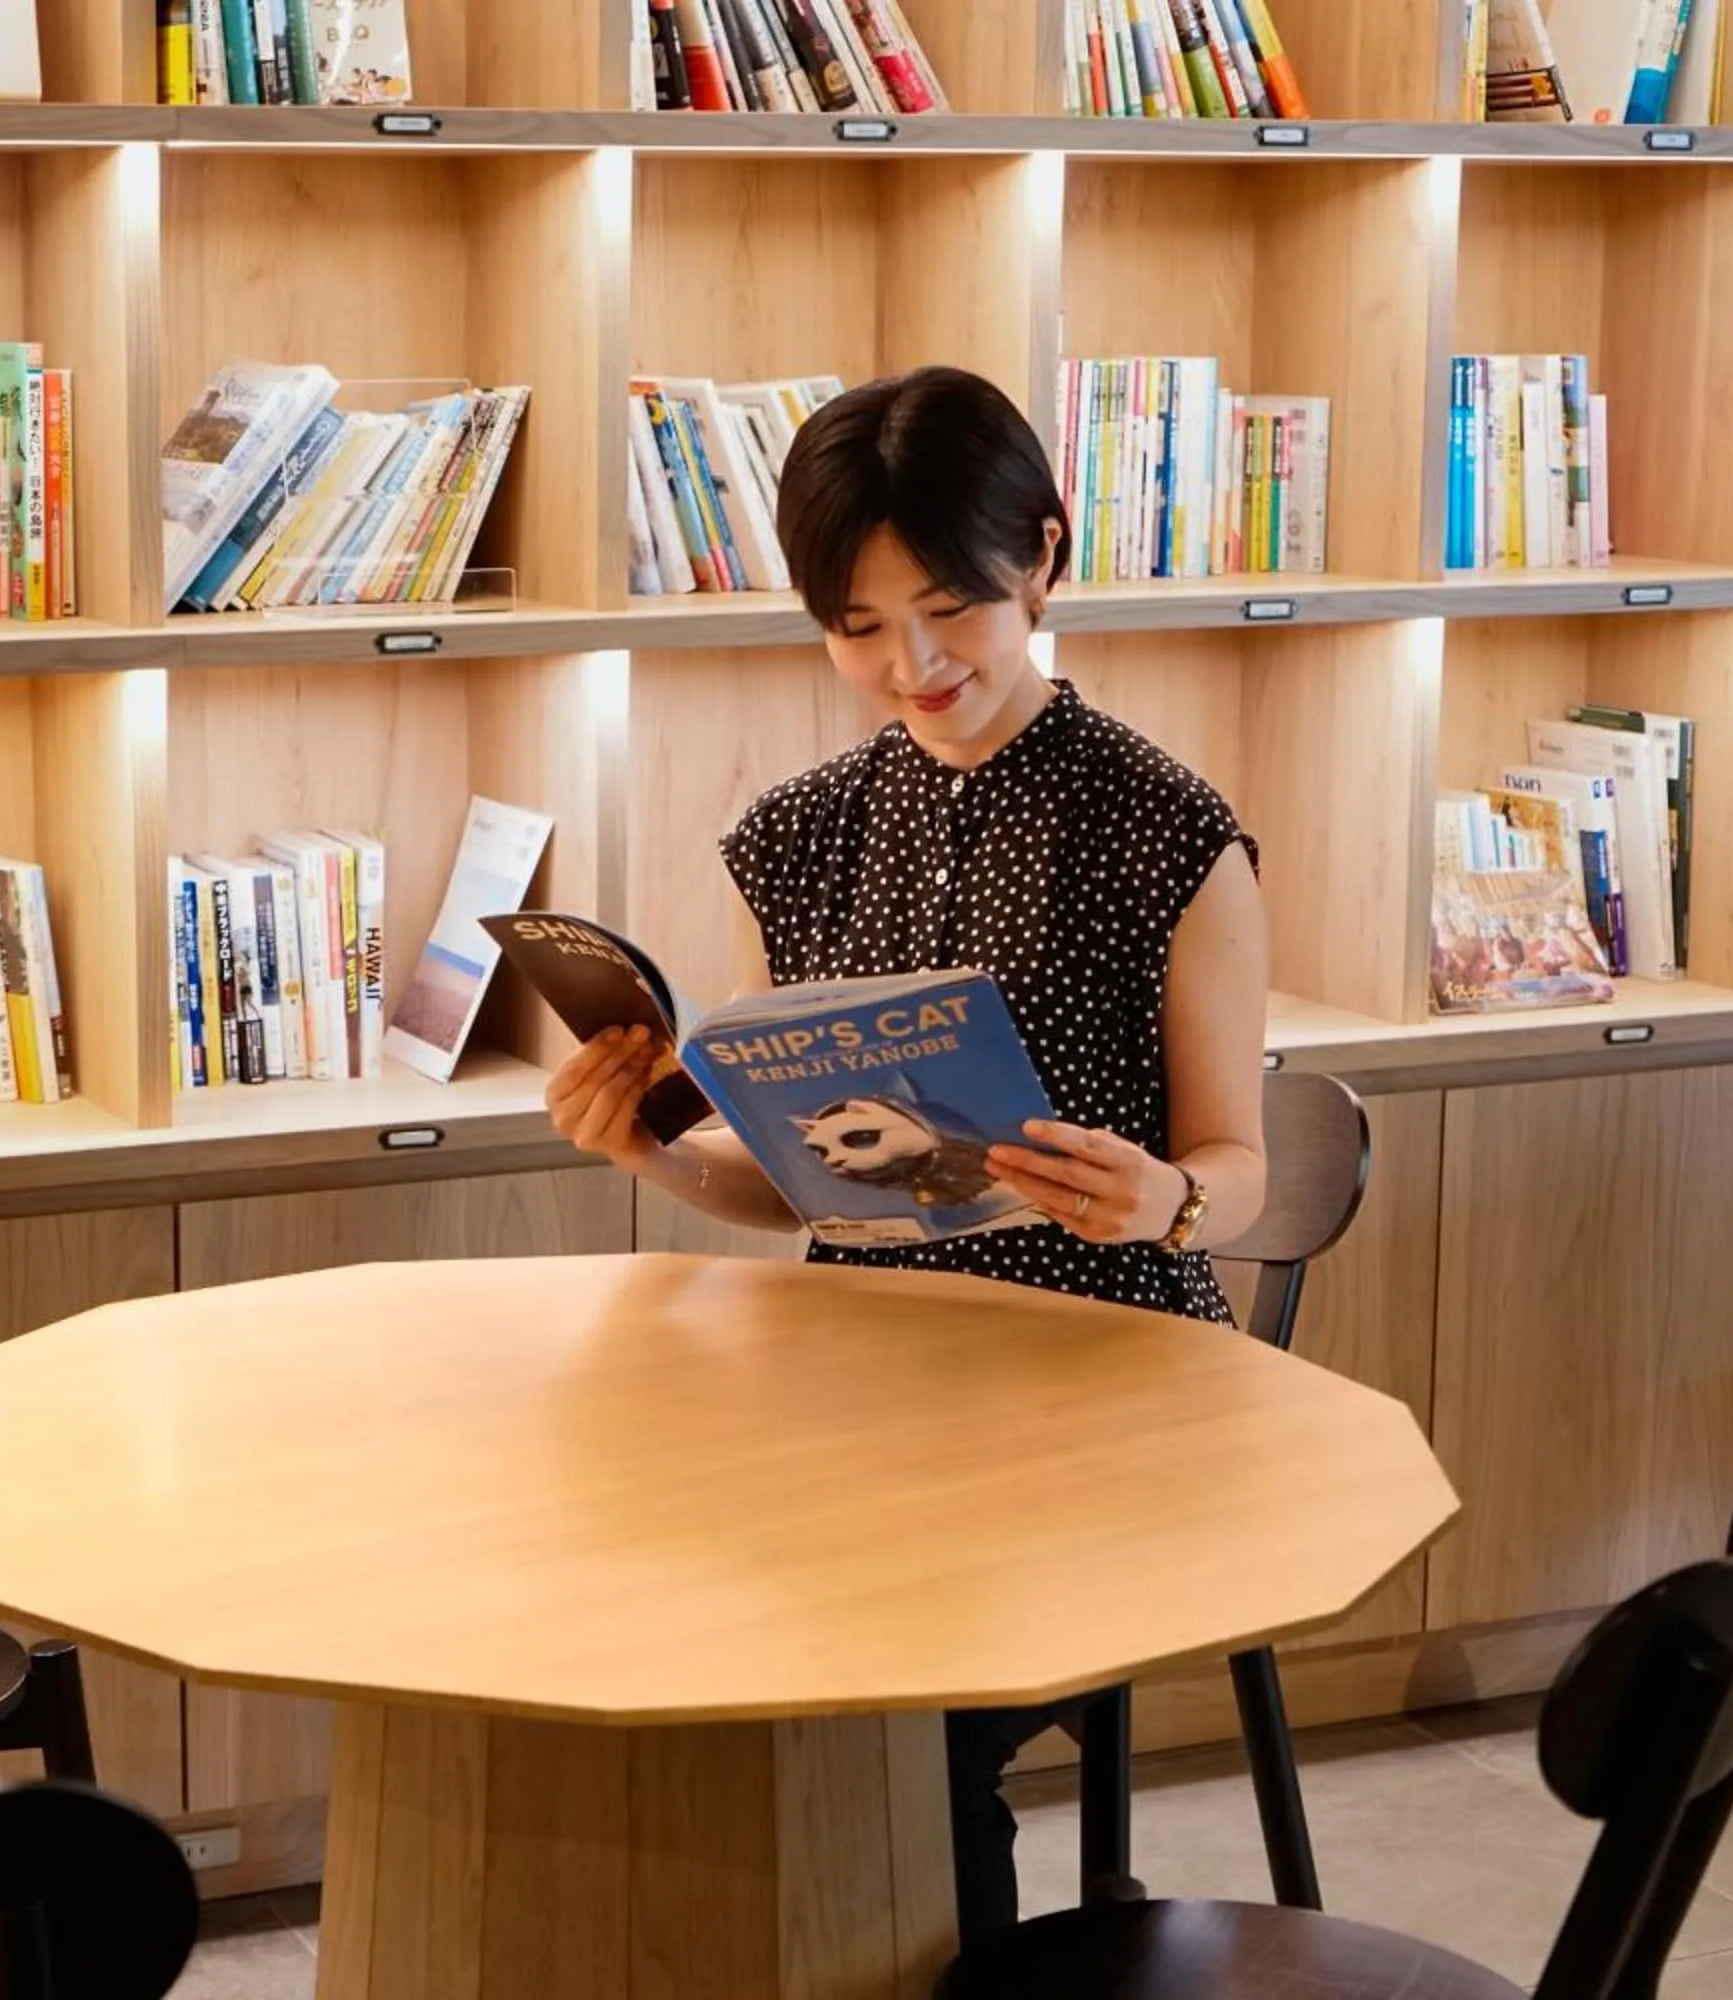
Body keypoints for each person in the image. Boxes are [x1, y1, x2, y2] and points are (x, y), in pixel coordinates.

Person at [544, 366, 1271, 1980]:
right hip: (871, 1389)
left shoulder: (1168, 832)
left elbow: (1243, 1167)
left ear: (1043, 562)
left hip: (1113, 1384)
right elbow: (792, 1187)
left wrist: (1166, 1197)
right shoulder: (793, 840)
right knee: (647, 1614)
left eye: (950, 610)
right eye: (860, 628)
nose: (914, 666)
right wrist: (656, 1148)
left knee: (904, 1720)